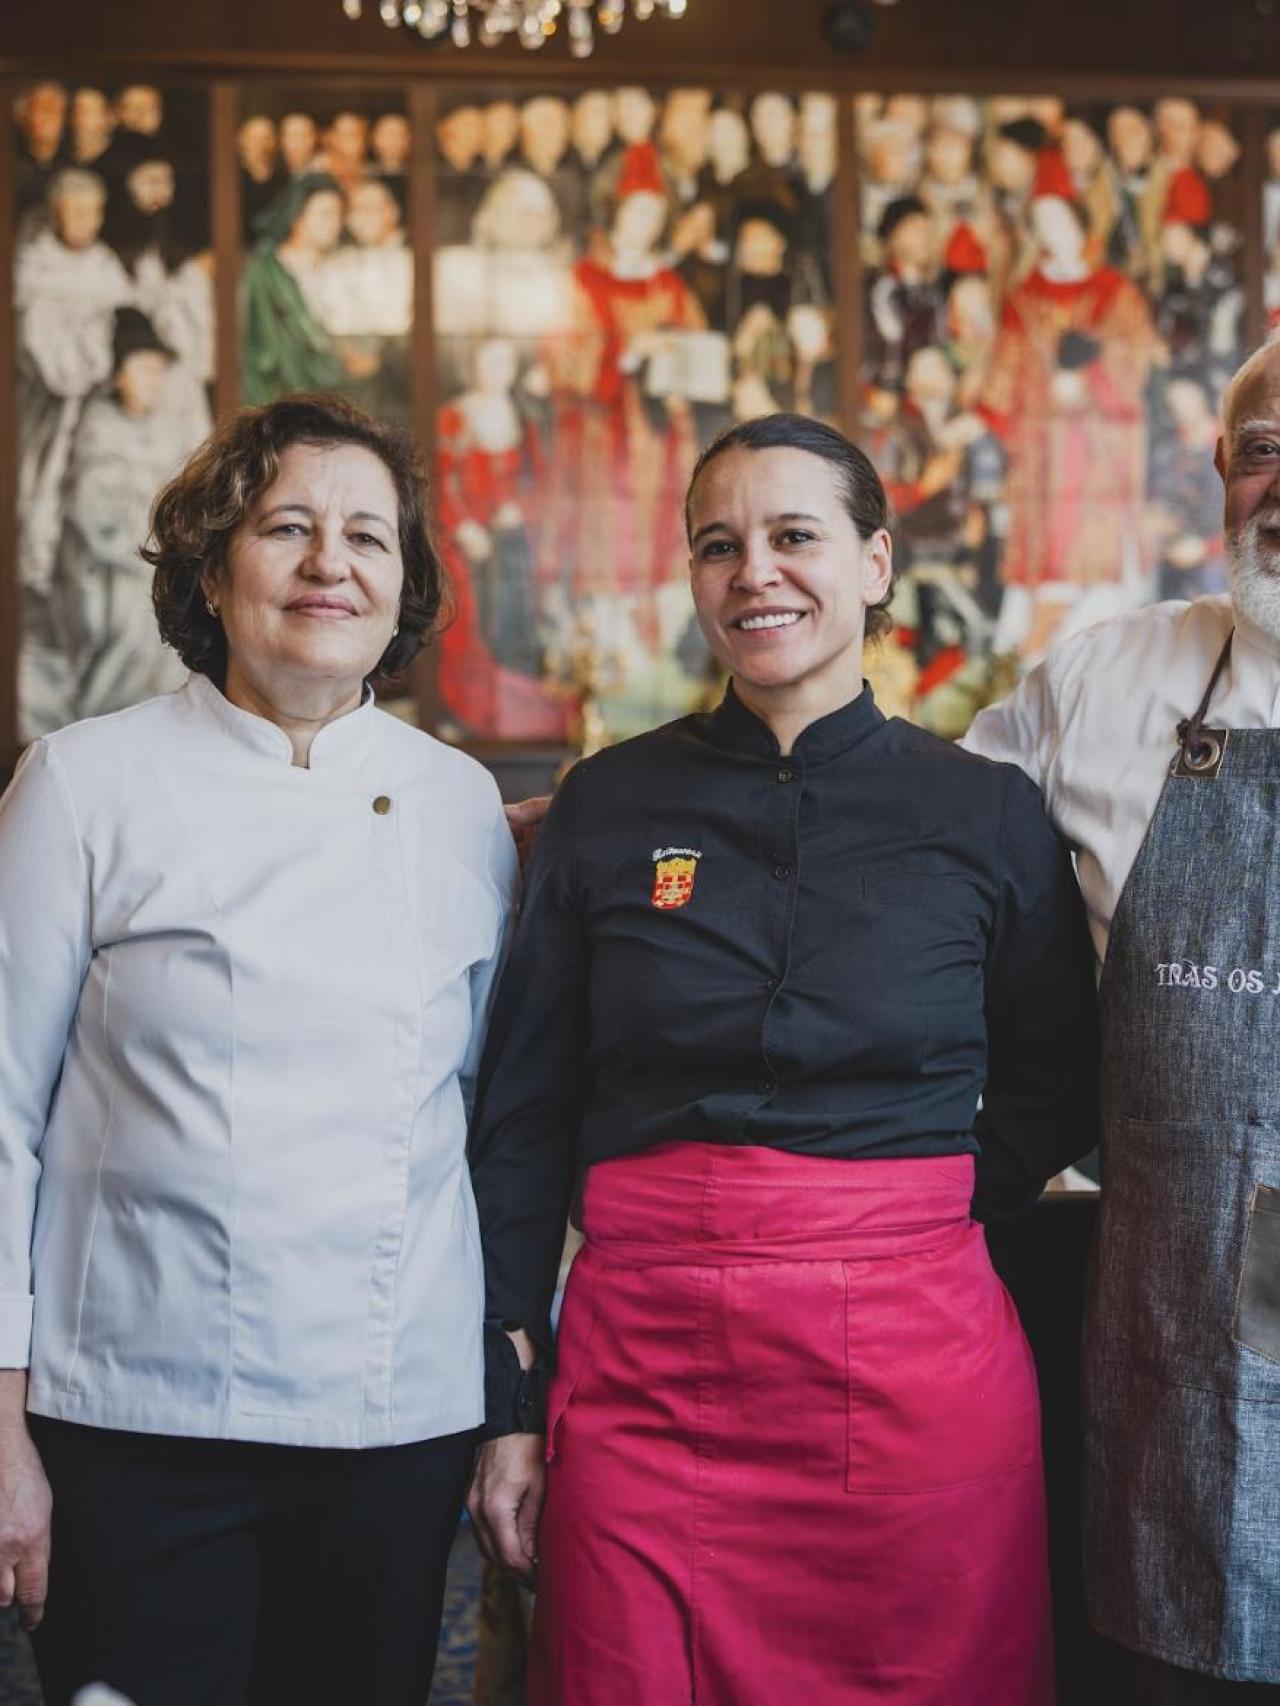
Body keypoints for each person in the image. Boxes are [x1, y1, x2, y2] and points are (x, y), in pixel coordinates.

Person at [468, 412, 1098, 1705]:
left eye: (793, 535)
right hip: (643, 1375)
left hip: (920, 1378)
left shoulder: (984, 810)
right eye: (719, 544)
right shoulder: (609, 800)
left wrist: (911, 1214)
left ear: (874, 563)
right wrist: (508, 1403)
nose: (754, 571)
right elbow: (522, 1118)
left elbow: (1060, 1078)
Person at [0, 393, 519, 1706]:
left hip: (391, 1421)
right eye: (287, 525)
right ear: (212, 565)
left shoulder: (462, 806)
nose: (328, 561)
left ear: (404, 587)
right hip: (131, 1416)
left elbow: (489, 1119)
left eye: (367, 535)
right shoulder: (79, 783)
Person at [963, 334, 1280, 1701]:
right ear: (1218, 468)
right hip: (1178, 1327)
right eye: (1267, 446)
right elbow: (908, 849)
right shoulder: (1098, 688)